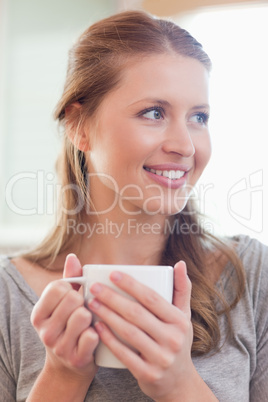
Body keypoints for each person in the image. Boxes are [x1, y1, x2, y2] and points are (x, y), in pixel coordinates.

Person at [0, 9, 267, 402]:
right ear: (79, 126)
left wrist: (180, 385)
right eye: (154, 113)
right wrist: (63, 376)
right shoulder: (9, 298)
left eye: (199, 117)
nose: (186, 145)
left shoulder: (250, 276)